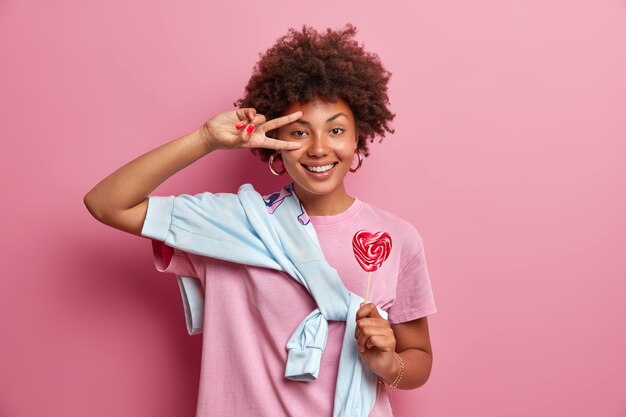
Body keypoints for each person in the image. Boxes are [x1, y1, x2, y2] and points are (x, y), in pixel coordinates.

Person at [84, 23, 436, 417]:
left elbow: (418, 356)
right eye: (299, 132)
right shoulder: (230, 224)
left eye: (336, 129)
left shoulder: (398, 237)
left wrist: (389, 366)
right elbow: (107, 203)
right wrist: (204, 139)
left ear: (358, 137)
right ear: (274, 143)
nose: (319, 148)